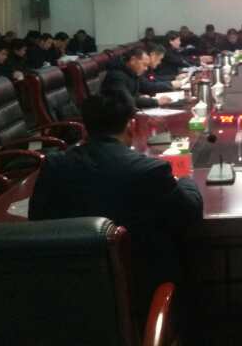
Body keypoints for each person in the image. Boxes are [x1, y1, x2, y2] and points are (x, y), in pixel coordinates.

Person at [29, 91, 203, 320]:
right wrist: (186, 180)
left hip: (72, 291)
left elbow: (36, 221)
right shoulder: (150, 170)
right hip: (142, 291)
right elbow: (190, 212)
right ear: (131, 125)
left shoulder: (54, 165)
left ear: (86, 127)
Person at [102, 47, 168, 108]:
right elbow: (127, 101)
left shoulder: (132, 72)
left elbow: (132, 92)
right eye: (144, 64)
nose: (146, 69)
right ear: (133, 60)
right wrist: (156, 102)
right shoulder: (116, 76)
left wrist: (139, 96)